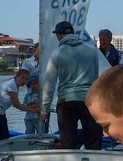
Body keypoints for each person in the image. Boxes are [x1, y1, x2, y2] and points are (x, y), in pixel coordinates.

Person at [40, 21, 102, 149]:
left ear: (59, 35)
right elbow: (96, 79)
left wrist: (45, 110)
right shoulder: (92, 51)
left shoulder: (56, 54)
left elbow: (49, 86)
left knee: (68, 143)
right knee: (93, 140)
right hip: (89, 101)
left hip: (66, 102)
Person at [0, 67, 38, 141]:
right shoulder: (12, 85)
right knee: (1, 137)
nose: (24, 81)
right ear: (17, 76)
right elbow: (17, 105)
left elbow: (15, 104)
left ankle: (3, 151)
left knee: (5, 136)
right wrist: (34, 110)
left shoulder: (15, 85)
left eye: (26, 79)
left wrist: (28, 105)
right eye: (22, 78)